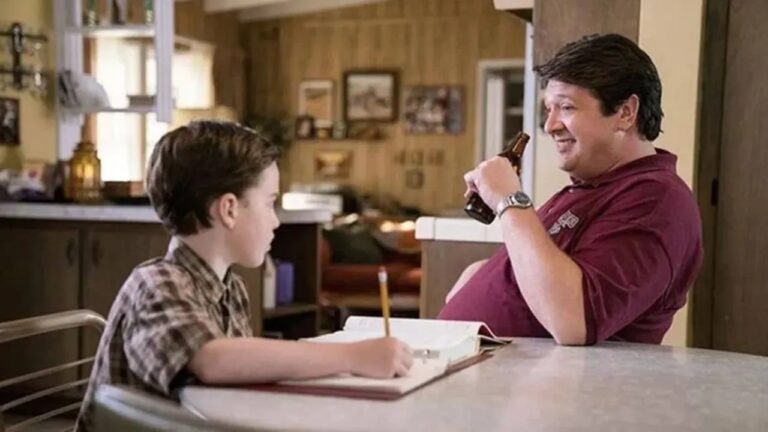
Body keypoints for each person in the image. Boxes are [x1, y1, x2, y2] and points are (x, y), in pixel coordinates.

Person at [75, 121, 413, 431]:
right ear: (229, 209)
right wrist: (354, 357)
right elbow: (213, 360)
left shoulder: (232, 289)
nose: (275, 221)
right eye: (269, 203)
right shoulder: (156, 283)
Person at [438, 34, 703, 346]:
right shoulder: (593, 189)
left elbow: (575, 321)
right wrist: (486, 274)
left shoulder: (657, 200)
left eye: (565, 107)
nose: (550, 125)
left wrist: (510, 201)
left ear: (626, 112)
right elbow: (551, 269)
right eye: (548, 109)